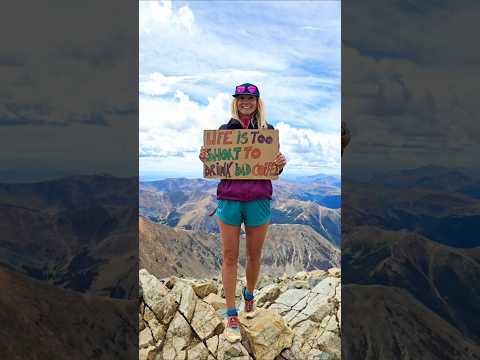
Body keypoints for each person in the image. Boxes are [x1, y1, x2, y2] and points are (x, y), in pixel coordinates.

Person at [199, 83, 286, 343]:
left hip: (259, 198)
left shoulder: (267, 131)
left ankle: (248, 295)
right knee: (229, 256)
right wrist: (207, 157)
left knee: (254, 254)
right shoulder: (225, 132)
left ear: (257, 101)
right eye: (241, 98)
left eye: (250, 98)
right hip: (230, 199)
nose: (245, 101)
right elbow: (217, 163)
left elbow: (272, 168)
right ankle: (231, 313)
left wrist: (280, 164)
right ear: (235, 102)